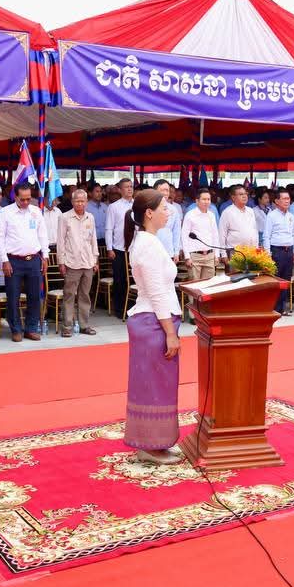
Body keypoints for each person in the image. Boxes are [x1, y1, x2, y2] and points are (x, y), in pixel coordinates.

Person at [123, 189, 184, 465]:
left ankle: (157, 442)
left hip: (157, 319)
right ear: (149, 213)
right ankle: (149, 445)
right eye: (164, 208)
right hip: (154, 322)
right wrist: (170, 333)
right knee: (153, 386)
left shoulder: (149, 240)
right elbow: (157, 292)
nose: (168, 212)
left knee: (159, 384)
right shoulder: (147, 244)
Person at [0, 183, 48, 342]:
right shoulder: (5, 213)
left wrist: (45, 256)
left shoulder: (36, 211)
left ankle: (31, 328)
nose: (26, 202)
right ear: (15, 197)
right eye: (22, 199)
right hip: (13, 260)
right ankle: (16, 329)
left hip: (34, 259)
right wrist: (4, 260)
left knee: (35, 296)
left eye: (28, 199)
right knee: (13, 296)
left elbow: (42, 235)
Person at [57, 188, 99, 336]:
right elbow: (60, 241)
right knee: (69, 295)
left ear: (86, 202)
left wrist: (95, 259)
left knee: (85, 295)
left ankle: (84, 325)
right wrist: (61, 262)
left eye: (82, 201)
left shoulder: (90, 217)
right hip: (71, 262)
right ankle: (67, 327)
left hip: (88, 262)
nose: (80, 204)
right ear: (72, 201)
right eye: (77, 201)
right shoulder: (64, 217)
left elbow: (93, 239)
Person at [264, 189, 294, 314]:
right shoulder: (272, 215)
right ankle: (274, 308)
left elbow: (293, 235)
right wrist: (268, 253)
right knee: (276, 280)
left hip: (288, 250)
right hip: (276, 251)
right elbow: (266, 236)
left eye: (288, 198)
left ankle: (282, 308)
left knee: (285, 280)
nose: (287, 201)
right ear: (277, 201)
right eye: (284, 199)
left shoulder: (291, 216)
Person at [105, 179, 134, 315]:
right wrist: (109, 248)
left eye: (131, 186)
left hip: (135, 248)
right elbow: (109, 228)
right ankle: (120, 309)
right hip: (119, 249)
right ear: (120, 190)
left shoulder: (137, 205)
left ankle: (133, 307)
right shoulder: (114, 207)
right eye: (126, 187)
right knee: (120, 279)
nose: (129, 189)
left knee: (134, 279)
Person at [181, 189, 222, 281]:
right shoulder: (190, 215)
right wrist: (187, 257)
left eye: (208, 199)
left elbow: (215, 235)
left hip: (210, 256)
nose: (206, 202)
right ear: (197, 201)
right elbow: (184, 236)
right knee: (194, 285)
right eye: (204, 199)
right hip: (195, 256)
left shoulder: (211, 215)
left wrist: (217, 254)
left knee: (208, 285)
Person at [218, 184, 261, 263]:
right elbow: (222, 234)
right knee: (236, 271)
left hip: (251, 251)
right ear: (233, 197)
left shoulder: (250, 211)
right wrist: (223, 254)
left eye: (245, 194)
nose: (244, 196)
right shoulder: (227, 212)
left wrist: (256, 248)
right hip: (235, 251)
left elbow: (254, 231)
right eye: (241, 194)